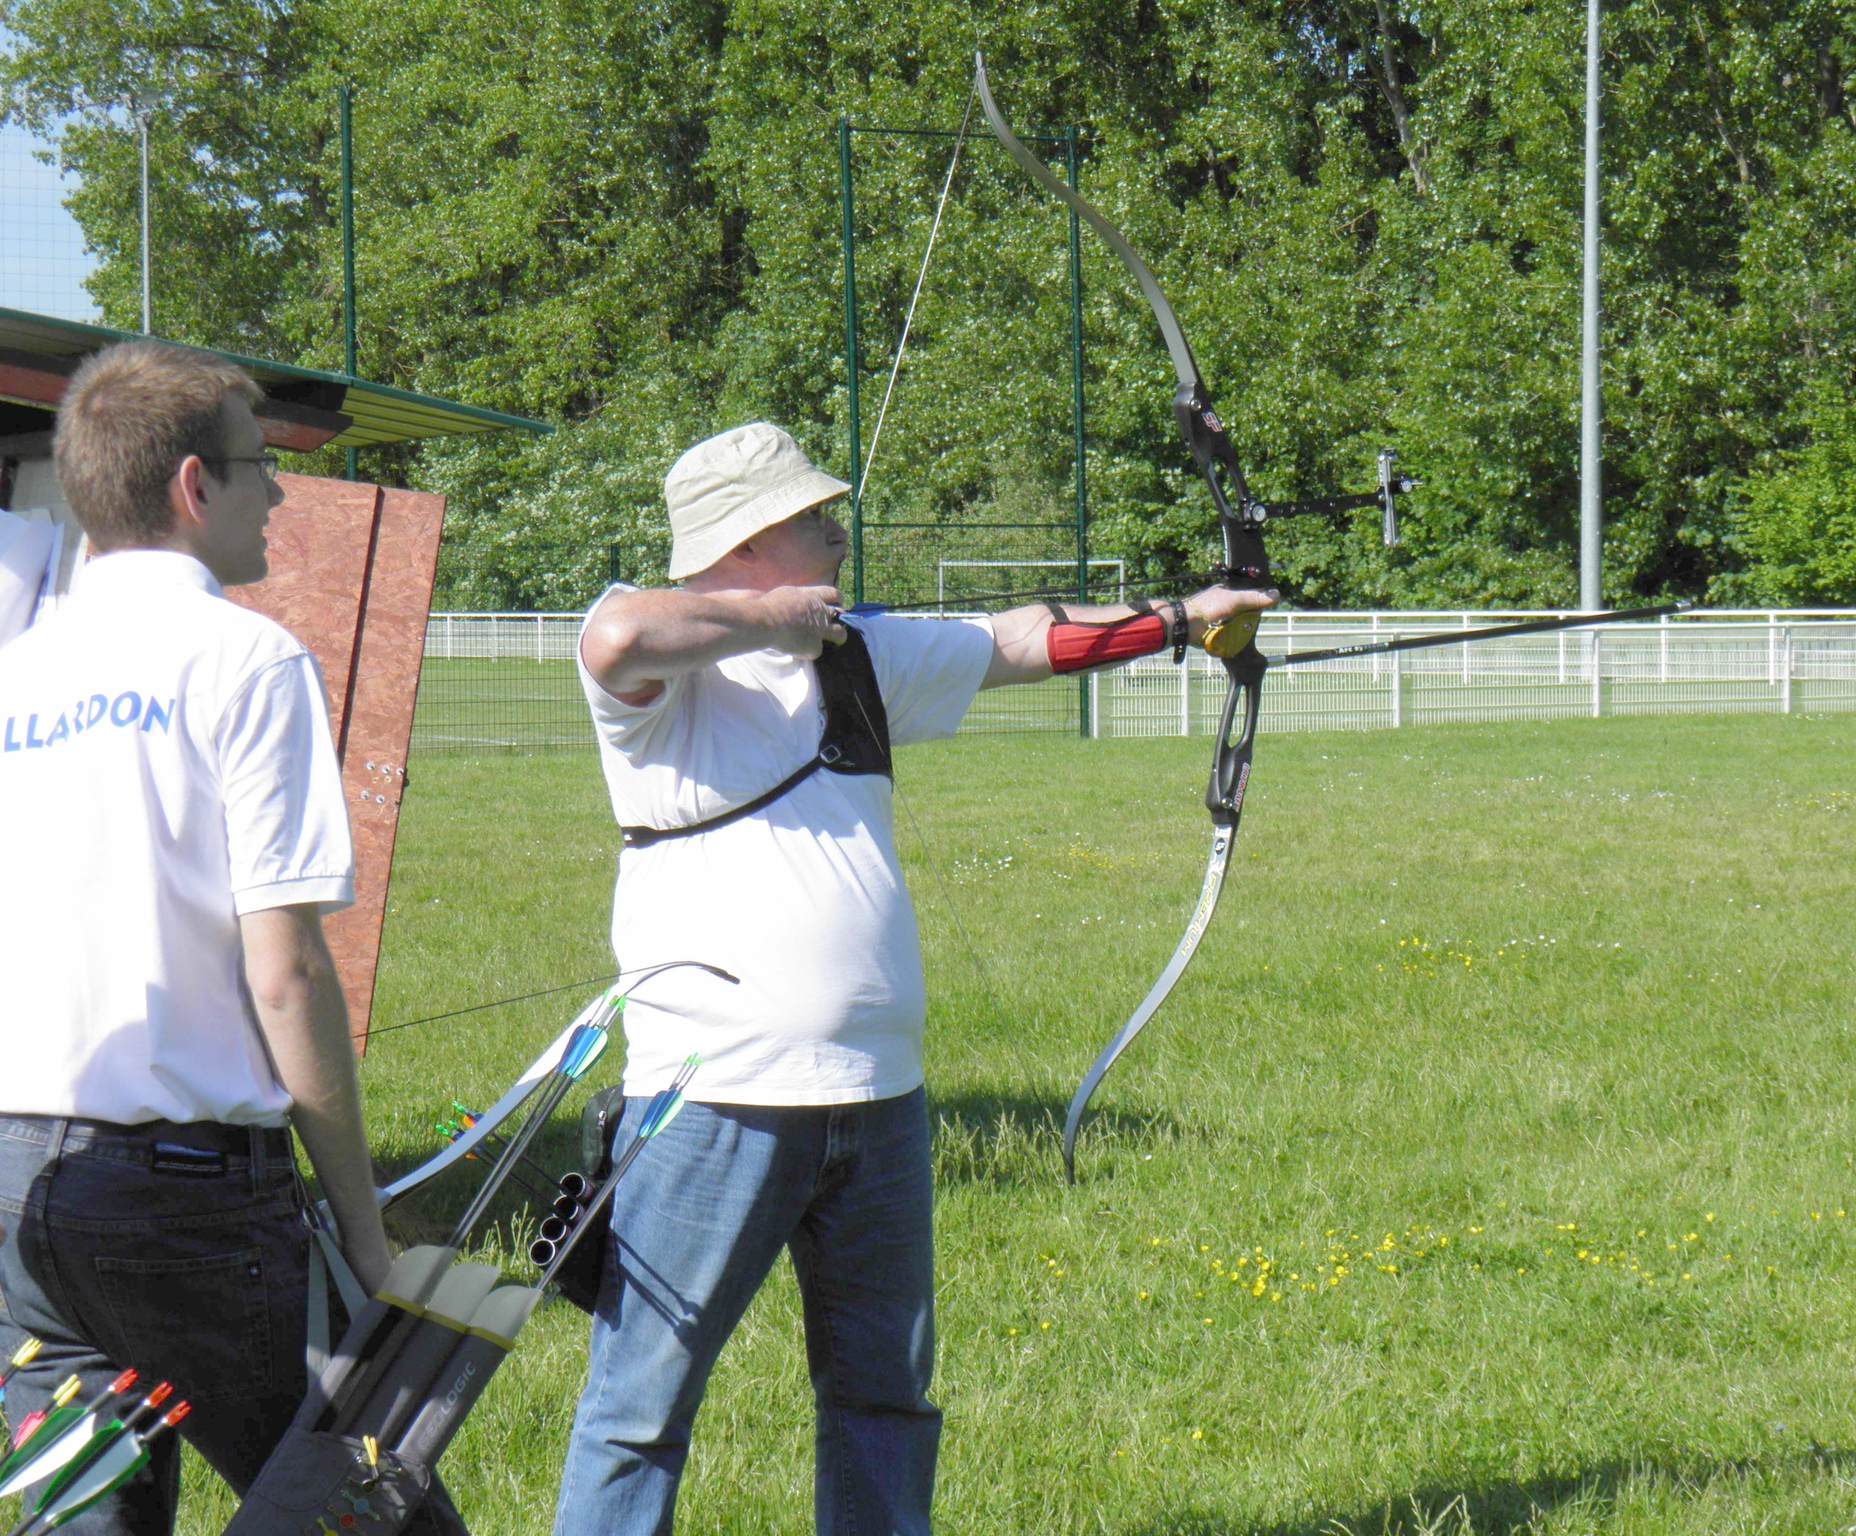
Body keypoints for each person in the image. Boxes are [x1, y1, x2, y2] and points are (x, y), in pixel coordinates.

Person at [555, 421, 1273, 1535]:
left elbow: (1021, 639)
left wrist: (1182, 616)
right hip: (713, 1096)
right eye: (812, 518)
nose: (837, 533)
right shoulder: (663, 679)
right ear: (744, 542)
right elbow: (616, 633)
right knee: (639, 1410)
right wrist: (773, 621)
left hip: (877, 1098)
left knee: (885, 1400)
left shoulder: (857, 654)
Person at [0, 341, 429, 1534]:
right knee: (365, 1501)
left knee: (87, 1514)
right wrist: (363, 1231)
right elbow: (285, 971)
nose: (280, 492)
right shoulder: (248, 659)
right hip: (178, 1189)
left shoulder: (15, 677)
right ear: (195, 485)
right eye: (259, 466)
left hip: (17, 1186)